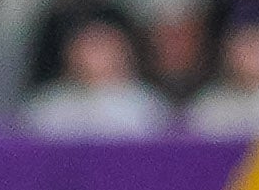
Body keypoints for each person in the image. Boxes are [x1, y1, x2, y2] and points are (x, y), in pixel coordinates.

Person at [19, 21, 172, 138]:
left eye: (101, 46)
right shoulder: (48, 105)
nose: (94, 55)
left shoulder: (147, 105)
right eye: (88, 47)